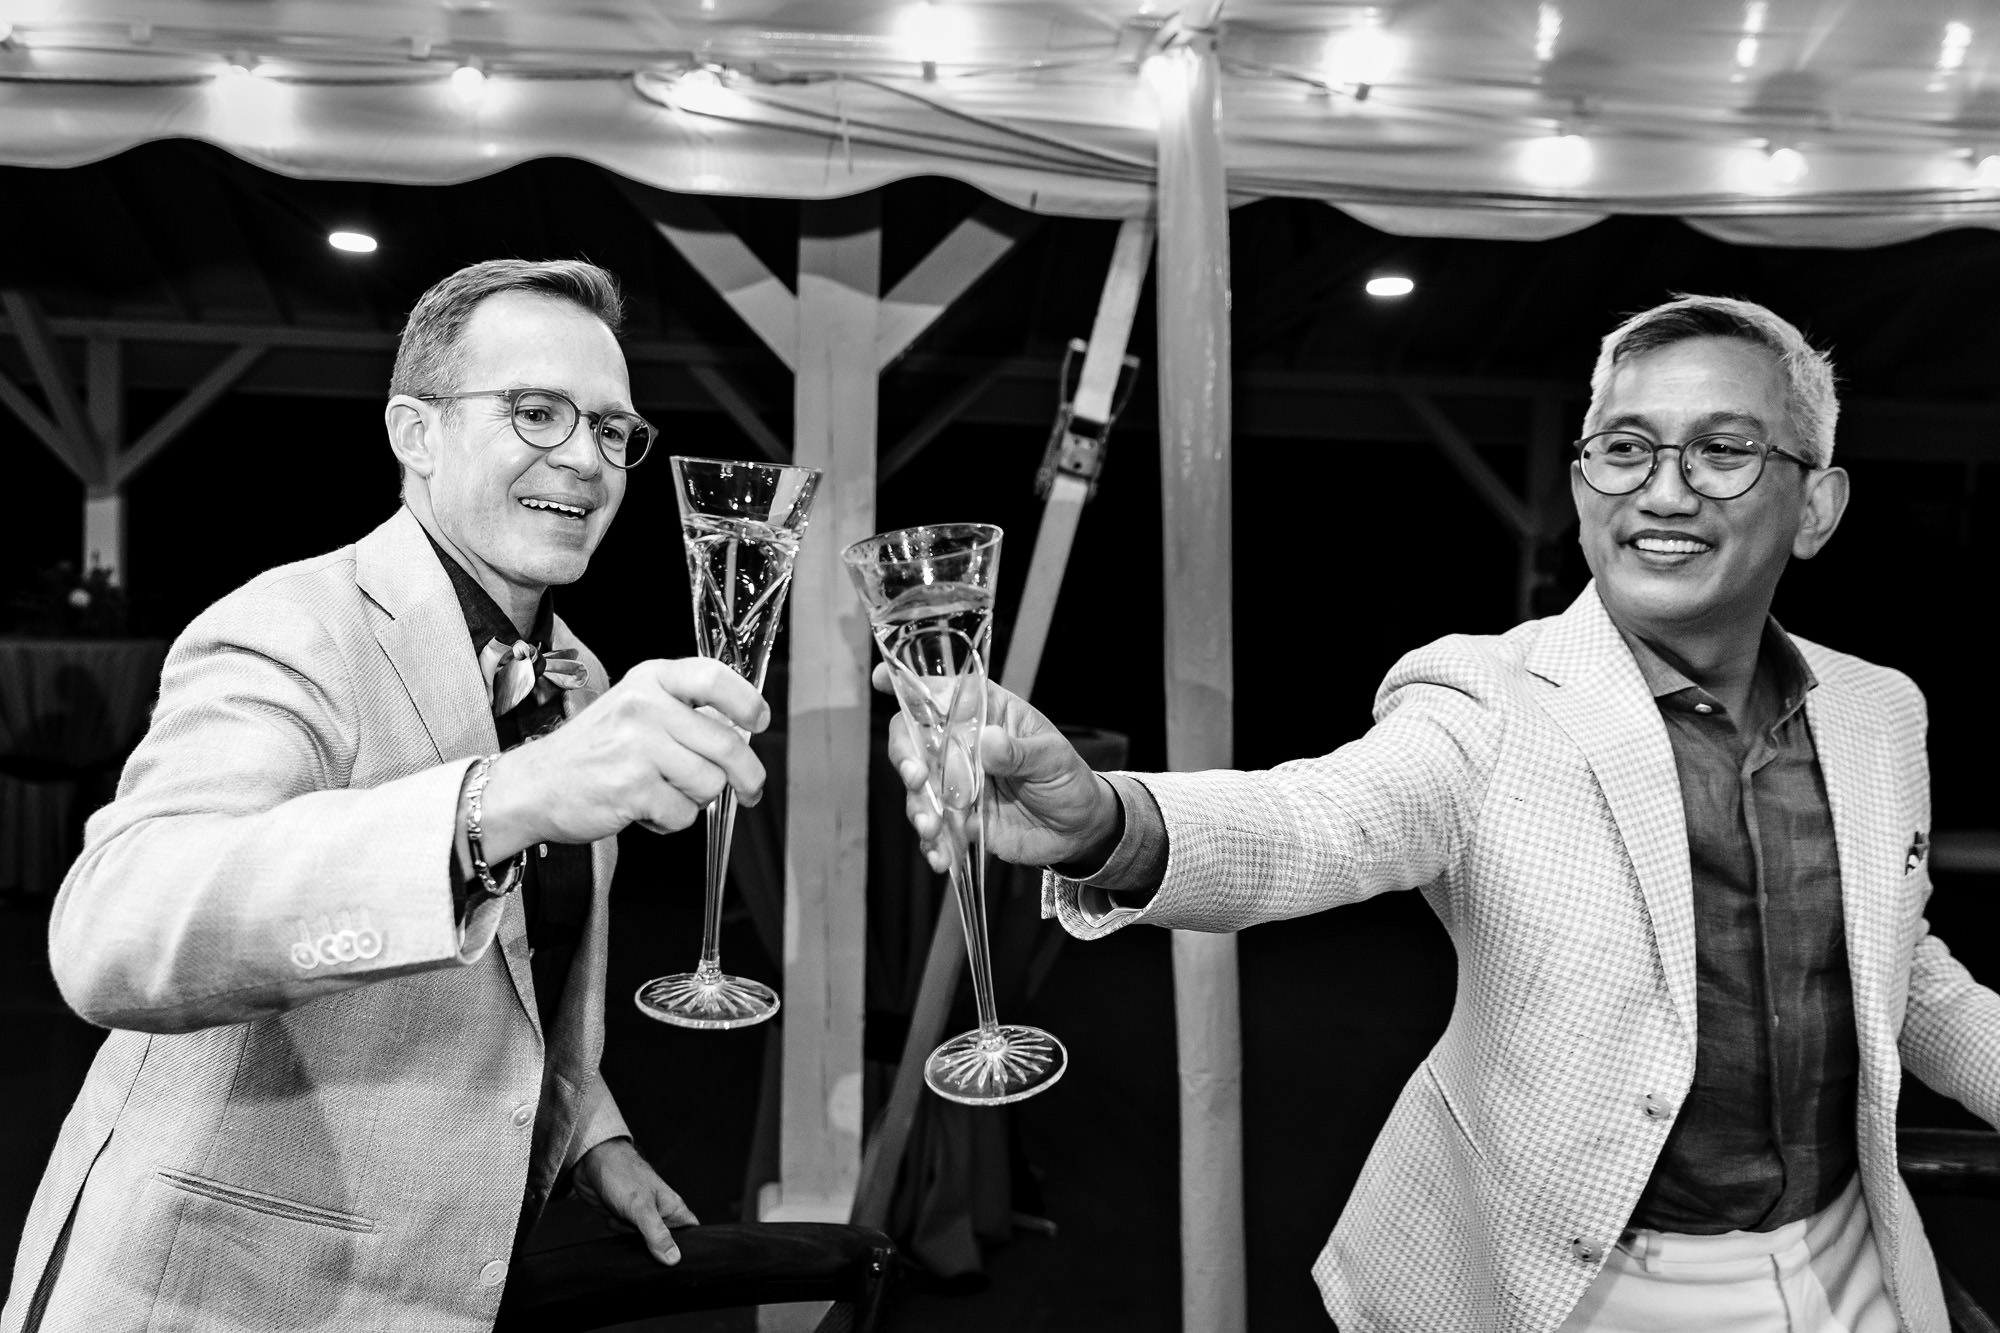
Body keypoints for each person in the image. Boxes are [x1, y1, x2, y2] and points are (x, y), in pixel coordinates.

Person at [888, 295, 2000, 1332]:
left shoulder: (1876, 709)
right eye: (1624, 448)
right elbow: (1317, 819)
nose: (1663, 491)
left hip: (1851, 1267)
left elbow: (1896, 965)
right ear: (1579, 489)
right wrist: (1102, 821)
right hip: (1575, 1283)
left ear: (1814, 505)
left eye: (1721, 449)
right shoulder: (1484, 696)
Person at [2, 259, 771, 1333]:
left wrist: (592, 1135)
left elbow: (504, 989)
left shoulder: (582, 682)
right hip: (212, 1293)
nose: (587, 460)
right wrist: (492, 803)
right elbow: (112, 935)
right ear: (415, 433)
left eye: (610, 430)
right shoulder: (294, 626)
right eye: (537, 412)